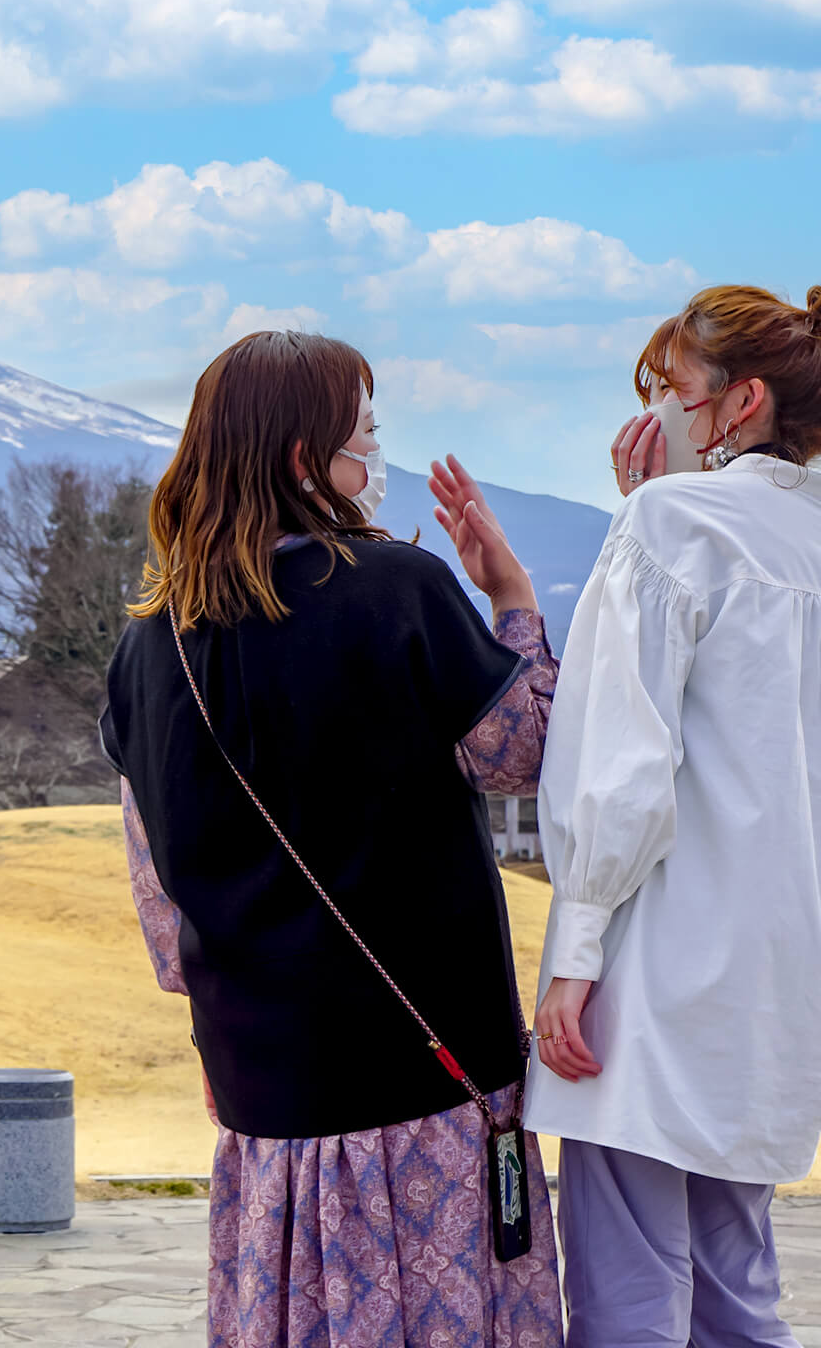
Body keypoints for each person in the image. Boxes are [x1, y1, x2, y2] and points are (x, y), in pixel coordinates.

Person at [100, 330, 564, 1347]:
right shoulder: (396, 587)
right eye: (367, 438)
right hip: (430, 1088)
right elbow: (522, 752)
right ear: (310, 462)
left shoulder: (148, 646)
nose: (374, 464)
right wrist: (514, 603)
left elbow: (158, 908)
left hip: (264, 1105)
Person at [527, 285, 821, 1346]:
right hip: (780, 981)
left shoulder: (666, 522)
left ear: (739, 405)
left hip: (657, 968)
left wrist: (575, 946)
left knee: (630, 1289)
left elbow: (620, 757)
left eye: (676, 390)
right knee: (739, 1292)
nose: (660, 415)